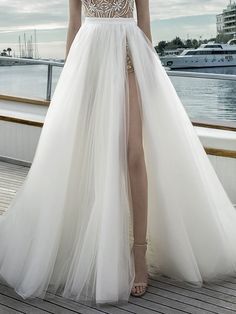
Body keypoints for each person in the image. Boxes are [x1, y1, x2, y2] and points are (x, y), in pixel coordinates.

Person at [1, 0, 236, 306]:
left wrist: (150, 75)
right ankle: (102, 247)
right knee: (94, 155)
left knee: (133, 153)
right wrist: (70, 80)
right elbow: (74, 21)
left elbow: (145, 21)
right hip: (89, 59)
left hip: (128, 53)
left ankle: (139, 252)